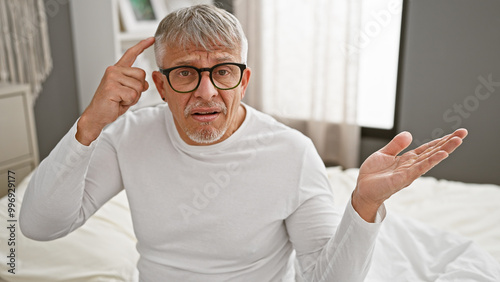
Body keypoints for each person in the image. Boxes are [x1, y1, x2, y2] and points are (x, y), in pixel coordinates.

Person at [19, 4, 467, 282]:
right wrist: (87, 127)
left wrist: (364, 206)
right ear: (160, 84)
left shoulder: (292, 152)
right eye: (186, 72)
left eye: (224, 71)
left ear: (244, 79)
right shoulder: (128, 135)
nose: (207, 91)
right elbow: (40, 226)